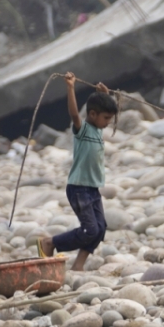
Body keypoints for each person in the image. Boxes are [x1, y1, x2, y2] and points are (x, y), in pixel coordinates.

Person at [37, 72, 118, 271]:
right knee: (90, 229)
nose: (108, 122)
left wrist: (105, 94)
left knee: (100, 229)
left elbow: (102, 108)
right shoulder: (82, 130)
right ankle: (50, 243)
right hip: (79, 188)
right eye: (106, 118)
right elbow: (74, 113)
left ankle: (78, 267)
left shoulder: (98, 130)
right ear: (92, 115)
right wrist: (70, 87)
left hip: (92, 189)